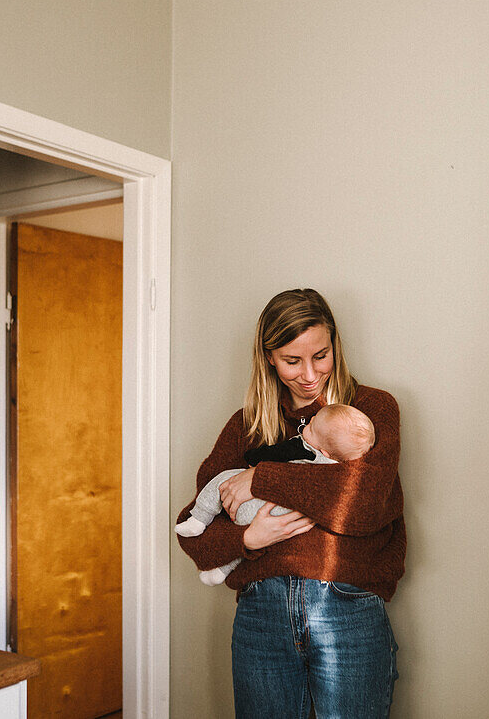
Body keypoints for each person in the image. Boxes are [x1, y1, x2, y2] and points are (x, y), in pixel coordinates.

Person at [176, 288, 404, 718]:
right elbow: (193, 531)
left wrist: (261, 477)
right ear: (268, 358)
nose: (309, 374)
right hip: (260, 614)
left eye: (320, 355)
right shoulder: (248, 425)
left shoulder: (371, 410)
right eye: (291, 361)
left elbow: (363, 504)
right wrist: (248, 537)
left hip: (348, 606)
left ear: (335, 344)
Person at [175, 403, 376, 586]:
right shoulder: (341, 465)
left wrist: (258, 473)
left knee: (225, 479)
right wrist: (247, 538)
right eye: (292, 361)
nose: (308, 424)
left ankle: (200, 517)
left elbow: (270, 455)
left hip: (256, 512)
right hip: (283, 524)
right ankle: (222, 569)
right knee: (260, 537)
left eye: (312, 428)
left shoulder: (303, 447)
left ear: (324, 451)